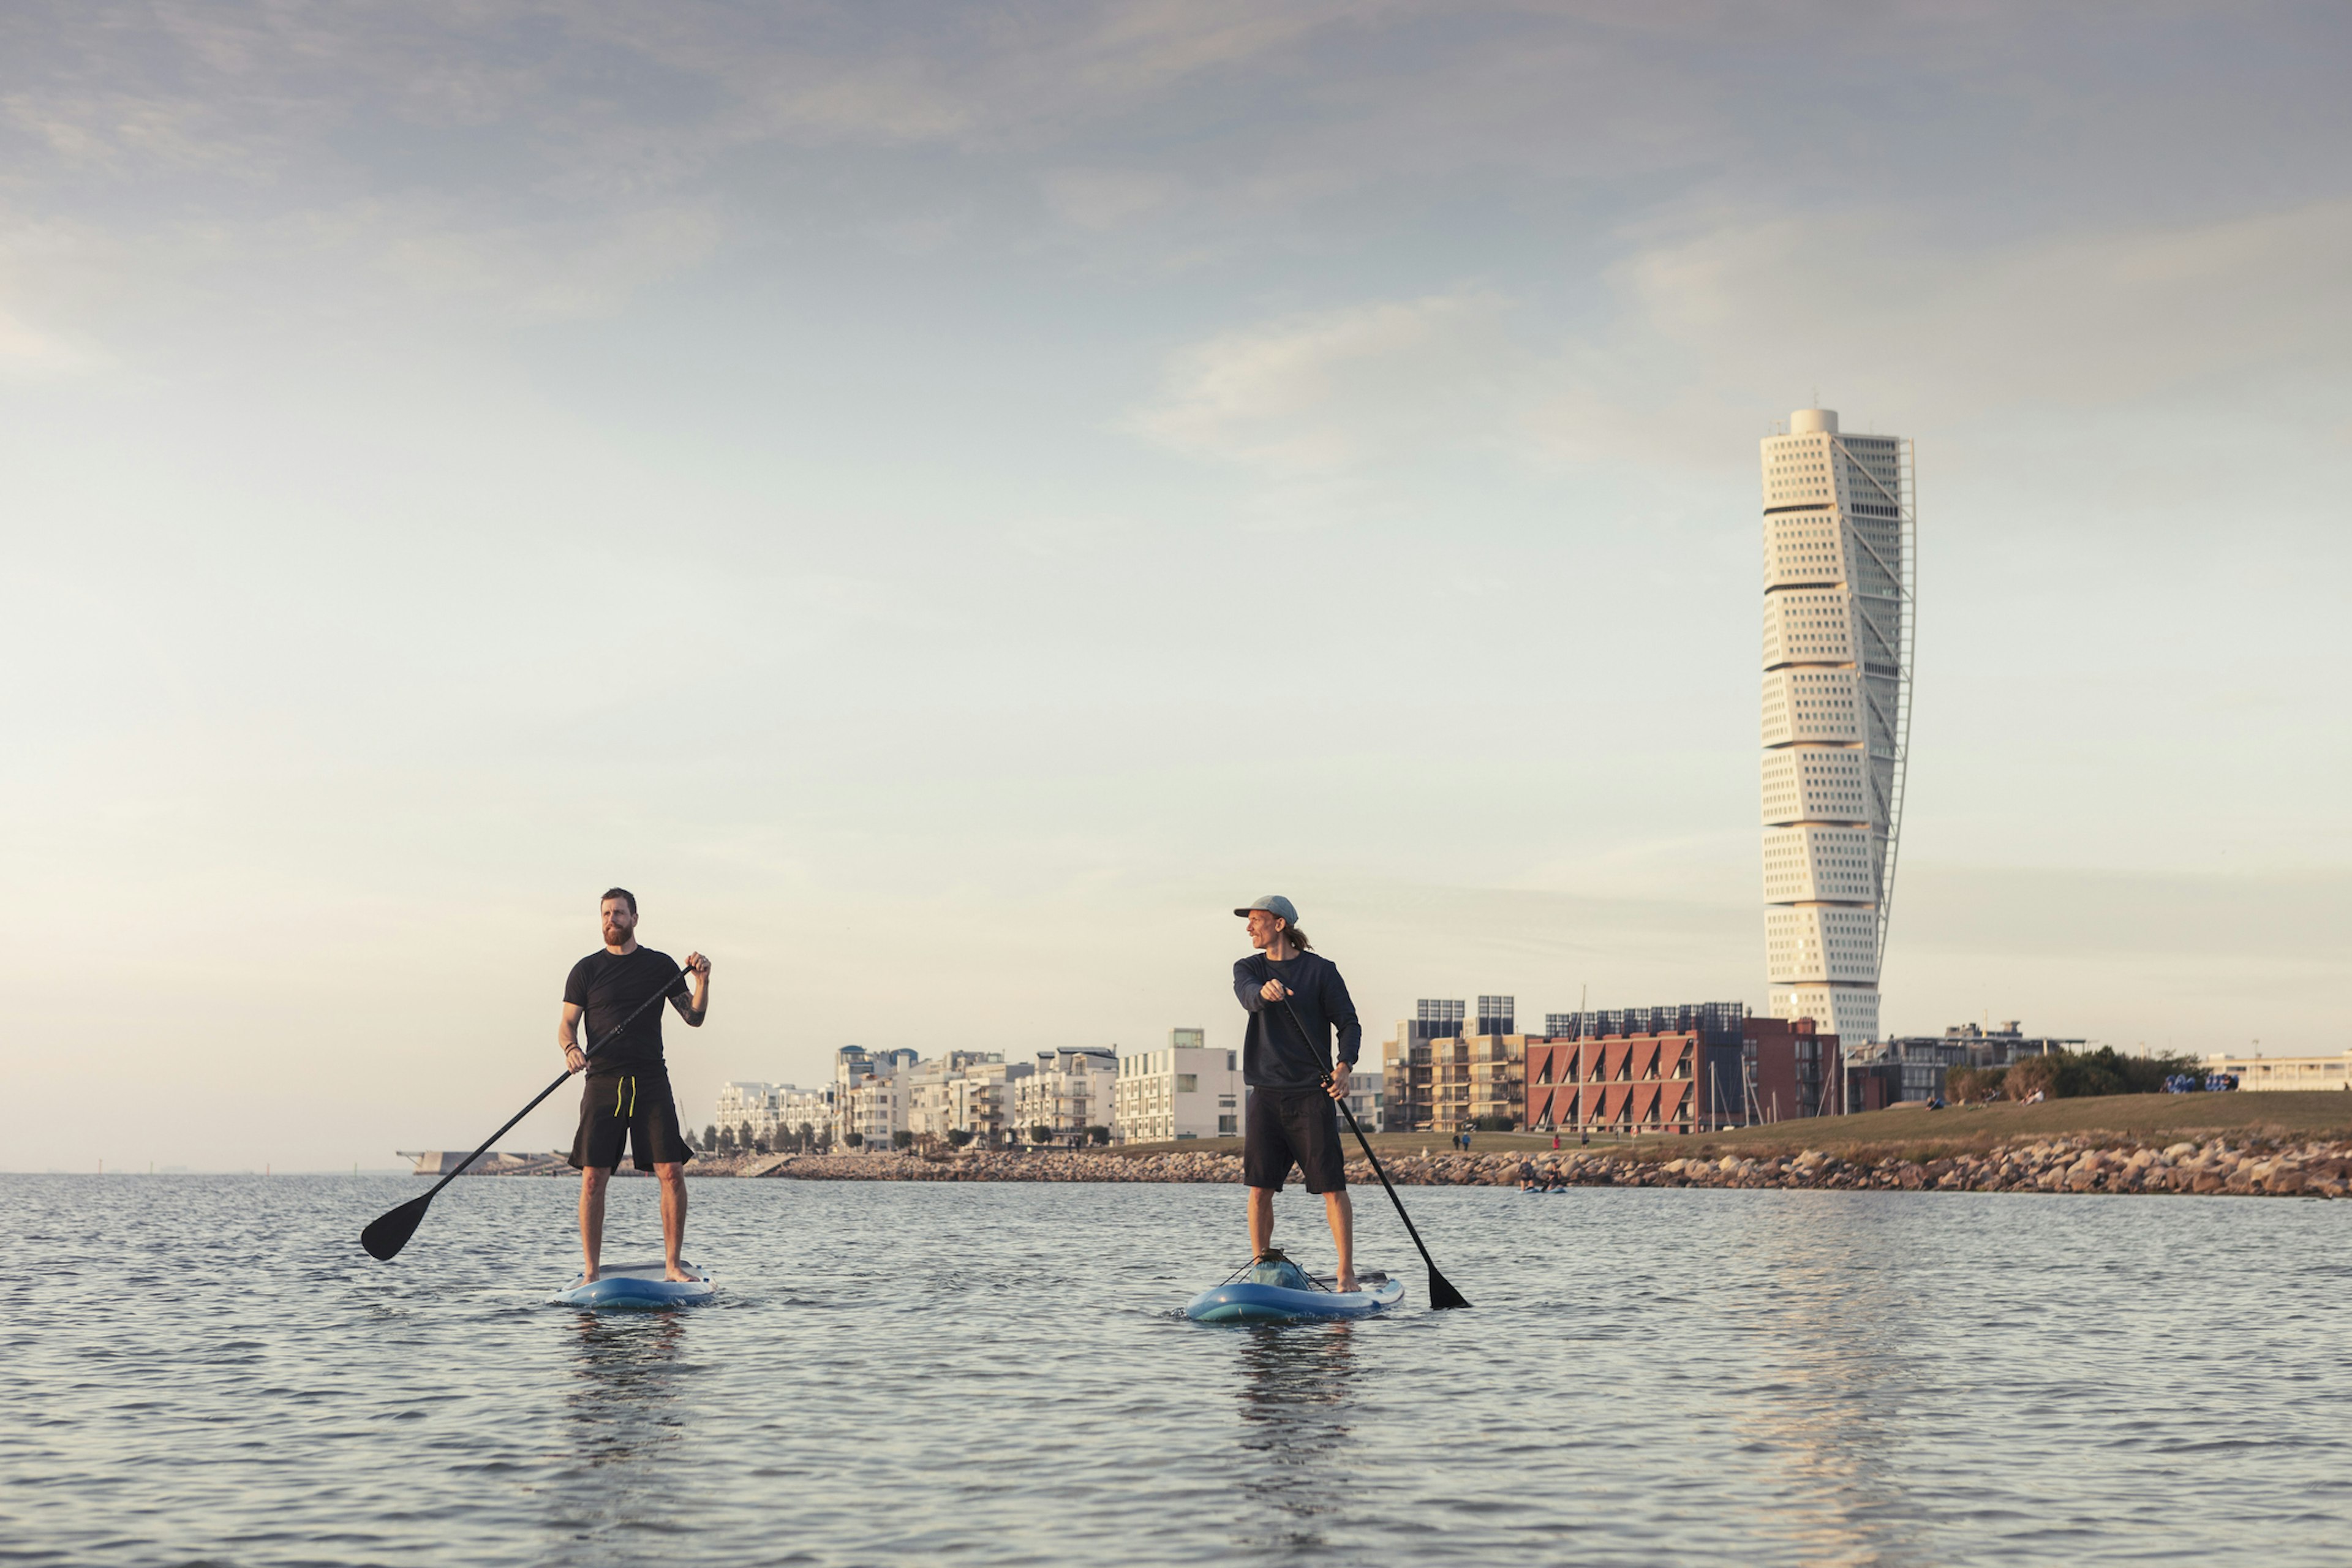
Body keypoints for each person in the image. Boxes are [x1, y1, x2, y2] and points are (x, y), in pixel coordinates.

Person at [559, 888, 710, 1284]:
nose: (612, 920)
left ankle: (673, 1266)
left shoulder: (660, 966)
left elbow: (693, 1018)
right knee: (593, 1177)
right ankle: (591, 1271)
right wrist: (571, 1048)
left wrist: (702, 982)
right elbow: (566, 1026)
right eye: (607, 914)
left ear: (635, 918)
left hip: (650, 1079)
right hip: (603, 1080)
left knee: (672, 1172)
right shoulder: (585, 971)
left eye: (620, 913)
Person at [1233, 895, 1362, 1292]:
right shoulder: (1249, 967)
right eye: (1249, 921)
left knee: (1332, 1187)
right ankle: (1261, 1268)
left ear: (1280, 925)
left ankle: (1346, 1275)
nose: (1249, 927)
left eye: (1256, 920)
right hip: (1266, 1094)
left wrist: (1344, 1067)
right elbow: (1247, 993)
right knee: (1259, 1189)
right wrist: (1264, 994)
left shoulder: (1321, 972)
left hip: (1312, 1094)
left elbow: (1349, 1024)